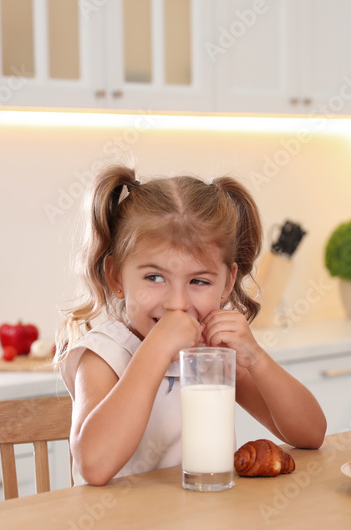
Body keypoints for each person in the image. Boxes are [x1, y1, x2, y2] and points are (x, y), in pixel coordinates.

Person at [58, 165, 326, 486]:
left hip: (203, 527)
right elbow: (94, 466)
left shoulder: (211, 355)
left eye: (199, 280)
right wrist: (157, 349)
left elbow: (311, 434)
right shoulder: (103, 354)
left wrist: (255, 357)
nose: (177, 303)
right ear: (116, 277)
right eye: (154, 277)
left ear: (227, 284)